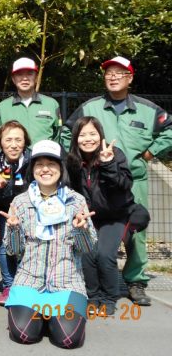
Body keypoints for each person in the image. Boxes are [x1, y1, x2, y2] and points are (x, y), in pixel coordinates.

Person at [61, 56, 172, 306]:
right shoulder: (91, 108)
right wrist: (76, 158)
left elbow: (170, 130)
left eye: (119, 73)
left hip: (134, 181)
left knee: (136, 233)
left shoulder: (148, 109)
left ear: (130, 78)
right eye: (109, 73)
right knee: (94, 229)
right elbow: (67, 131)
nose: (113, 77)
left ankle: (135, 281)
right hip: (97, 181)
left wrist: (151, 151)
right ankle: (97, 279)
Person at [1, 140, 96, 349]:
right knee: (24, 335)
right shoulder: (20, 202)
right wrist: (15, 228)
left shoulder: (76, 201)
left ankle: (51, 315)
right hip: (29, 281)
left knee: (68, 340)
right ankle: (42, 314)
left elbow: (88, 248)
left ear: (61, 168)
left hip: (68, 283)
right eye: (39, 164)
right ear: (32, 169)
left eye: (52, 163)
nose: (45, 169)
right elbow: (12, 250)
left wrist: (81, 230)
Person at [67, 116, 134, 315]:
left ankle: (108, 298)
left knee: (105, 255)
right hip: (89, 217)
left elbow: (124, 185)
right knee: (87, 254)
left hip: (115, 216)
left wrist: (108, 164)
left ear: (101, 135)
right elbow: (69, 189)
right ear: (76, 138)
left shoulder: (114, 155)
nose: (88, 139)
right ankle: (93, 296)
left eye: (93, 134)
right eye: (82, 134)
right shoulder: (72, 161)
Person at [0, 121, 32, 306]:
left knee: (29, 245)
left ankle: (27, 283)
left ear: (25, 142)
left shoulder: (32, 160)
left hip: (30, 209)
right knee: (6, 244)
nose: (13, 145)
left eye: (18, 140)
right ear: (0, 142)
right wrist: (0, 188)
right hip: (5, 209)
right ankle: (8, 285)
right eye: (8, 140)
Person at [0, 57, 61, 145]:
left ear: (36, 77)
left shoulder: (52, 104)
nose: (25, 78)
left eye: (30, 74)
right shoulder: (2, 108)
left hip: (44, 158)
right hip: (14, 158)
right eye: (19, 74)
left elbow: (58, 136)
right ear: (13, 79)